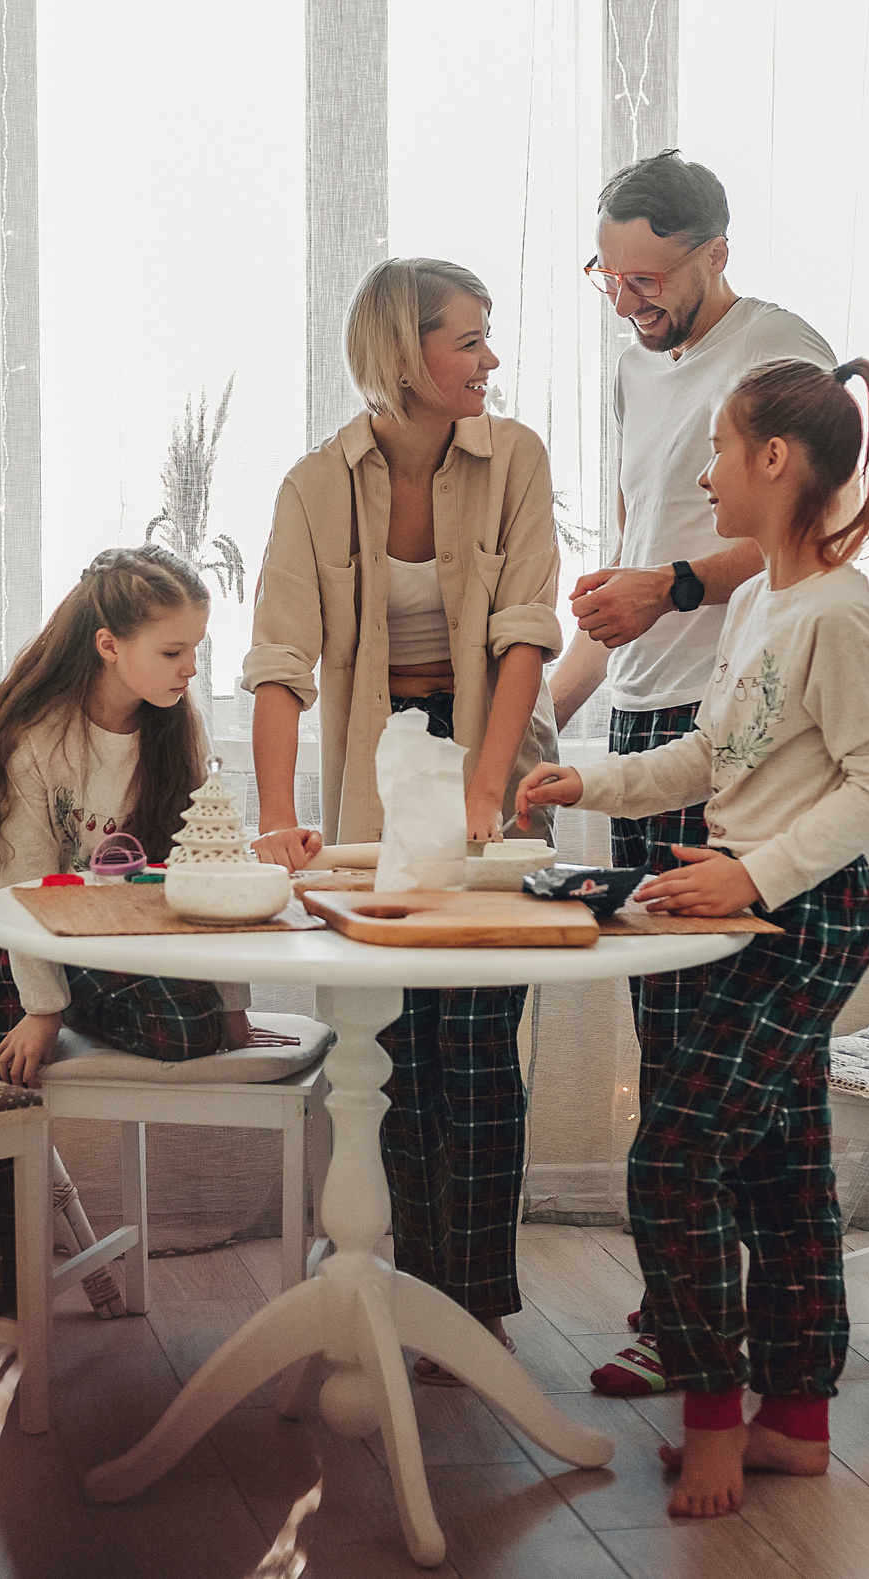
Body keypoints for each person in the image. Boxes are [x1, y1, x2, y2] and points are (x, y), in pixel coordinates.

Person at [516, 356, 869, 1518]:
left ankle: (711, 1418)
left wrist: (756, 868)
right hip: (748, 911)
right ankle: (793, 1420)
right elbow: (708, 759)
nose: (704, 474)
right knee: (782, 1169)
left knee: (673, 1157)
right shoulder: (758, 602)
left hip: (808, 923)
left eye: (717, 453)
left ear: (774, 462)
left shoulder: (840, 612)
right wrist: (581, 780)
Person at [243, 258, 564, 1379]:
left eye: (487, 339)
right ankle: (393, 1286)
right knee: (387, 1043)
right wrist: (283, 822)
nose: (488, 360)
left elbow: (525, 630)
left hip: (495, 769)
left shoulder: (514, 457)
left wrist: (486, 784)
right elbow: (278, 666)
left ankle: (470, 1313)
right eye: (466, 341)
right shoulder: (312, 485)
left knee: (476, 1042)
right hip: (374, 787)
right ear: (402, 354)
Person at [562, 149, 837, 1397]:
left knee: (733, 1060)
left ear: (715, 250)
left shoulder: (780, 353)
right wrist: (551, 712)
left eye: (647, 277)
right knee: (661, 1035)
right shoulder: (630, 366)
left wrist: (672, 585)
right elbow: (630, 556)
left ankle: (733, 1343)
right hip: (639, 719)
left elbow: (802, 530)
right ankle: (689, 1319)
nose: (628, 302)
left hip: (736, 727)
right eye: (609, 280)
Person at [0, 544, 297, 1317]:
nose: (189, 671)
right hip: (5, 933)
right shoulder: (33, 741)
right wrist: (41, 1010)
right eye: (173, 652)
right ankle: (14, 1307)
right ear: (109, 645)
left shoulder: (175, 733)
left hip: (111, 928)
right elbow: (19, 895)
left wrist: (234, 1011)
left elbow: (208, 879)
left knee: (188, 1030)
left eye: (195, 652)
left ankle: (89, 1005)